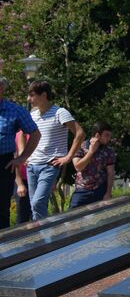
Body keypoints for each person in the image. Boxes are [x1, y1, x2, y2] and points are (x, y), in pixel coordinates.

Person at [26, 80, 83, 219]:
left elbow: (80, 133)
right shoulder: (33, 115)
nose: (29, 99)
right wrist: (25, 155)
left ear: (44, 95)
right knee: (35, 206)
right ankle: (41, 236)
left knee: (37, 203)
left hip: (49, 165)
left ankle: (42, 235)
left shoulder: (60, 112)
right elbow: (23, 135)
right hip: (32, 165)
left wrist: (68, 157)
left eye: (32, 95)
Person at [0, 77, 39, 228]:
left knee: (2, 208)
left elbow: (35, 134)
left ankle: (4, 247)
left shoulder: (14, 110)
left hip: (3, 163)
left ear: (1, 89)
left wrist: (22, 158)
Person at [71, 122, 117, 209]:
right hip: (82, 190)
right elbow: (78, 167)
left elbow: (110, 173)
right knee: (72, 215)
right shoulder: (81, 146)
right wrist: (91, 152)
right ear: (97, 135)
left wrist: (108, 193)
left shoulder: (108, 151)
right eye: (106, 135)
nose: (109, 138)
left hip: (100, 189)